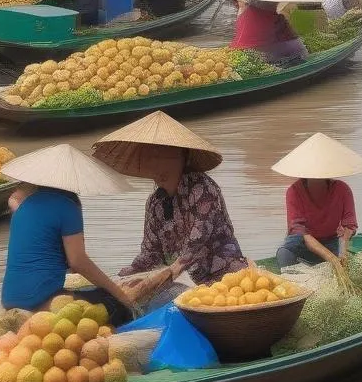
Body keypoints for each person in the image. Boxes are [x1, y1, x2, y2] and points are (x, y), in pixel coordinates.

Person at [91, 112, 248, 311]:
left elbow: (194, 247)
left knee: (166, 302)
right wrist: (124, 276)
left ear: (180, 156)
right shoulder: (155, 202)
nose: (150, 161)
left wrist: (161, 277)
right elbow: (150, 254)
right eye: (148, 155)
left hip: (218, 278)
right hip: (177, 278)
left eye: (157, 154)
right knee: (121, 296)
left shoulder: (203, 189)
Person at [0, 144, 138, 323]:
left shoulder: (25, 205)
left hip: (9, 298)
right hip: (40, 299)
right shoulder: (67, 206)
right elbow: (78, 262)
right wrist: (119, 294)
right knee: (115, 307)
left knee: (92, 292)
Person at [271, 133, 362, 268]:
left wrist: (342, 253)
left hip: (332, 241)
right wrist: (331, 258)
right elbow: (302, 233)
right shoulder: (294, 192)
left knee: (350, 263)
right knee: (284, 253)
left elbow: (349, 226)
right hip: (302, 243)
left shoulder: (342, 190)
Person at [225, 0, 316, 66]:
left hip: (237, 56)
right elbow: (299, 50)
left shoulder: (242, 17)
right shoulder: (277, 21)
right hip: (261, 60)